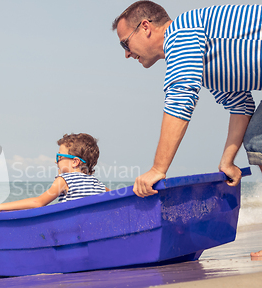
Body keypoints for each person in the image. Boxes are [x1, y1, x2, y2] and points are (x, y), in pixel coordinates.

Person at [112, 1, 262, 257]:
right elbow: (241, 105)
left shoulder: (182, 34)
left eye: (125, 43)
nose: (126, 54)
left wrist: (158, 169)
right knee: (258, 142)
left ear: (145, 27)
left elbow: (180, 97)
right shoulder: (206, 62)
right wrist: (227, 161)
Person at [0, 133, 109, 222]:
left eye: (59, 157)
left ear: (75, 162)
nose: (55, 161)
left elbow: (38, 202)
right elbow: (115, 196)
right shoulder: (98, 184)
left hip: (71, 231)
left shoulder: (64, 180)